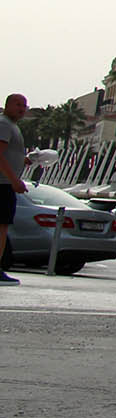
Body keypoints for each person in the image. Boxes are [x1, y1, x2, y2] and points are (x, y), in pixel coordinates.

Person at [0, 93, 29, 286]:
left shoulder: (12, 126)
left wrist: (23, 160)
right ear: (7, 105)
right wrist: (14, 180)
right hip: (2, 184)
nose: (21, 108)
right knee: (1, 227)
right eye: (17, 104)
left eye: (24, 105)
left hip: (5, 184)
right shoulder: (4, 124)